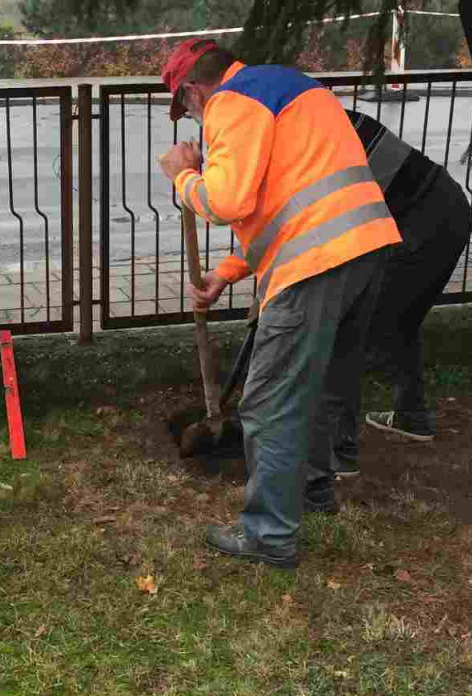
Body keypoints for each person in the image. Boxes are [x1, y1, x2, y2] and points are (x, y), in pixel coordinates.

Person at [157, 39, 402, 569]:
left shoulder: (232, 101)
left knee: (269, 400)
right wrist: (226, 273)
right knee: (312, 384)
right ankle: (313, 491)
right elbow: (289, 203)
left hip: (315, 263)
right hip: (364, 248)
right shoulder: (289, 88)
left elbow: (227, 202)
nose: (193, 118)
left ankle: (269, 536)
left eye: (187, 107)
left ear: (195, 90)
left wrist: (183, 175)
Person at [332, 110, 472, 478]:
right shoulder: (336, 117)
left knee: (349, 333)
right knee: (400, 320)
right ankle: (411, 417)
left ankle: (336, 453)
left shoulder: (322, 138)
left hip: (422, 222)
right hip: (447, 207)